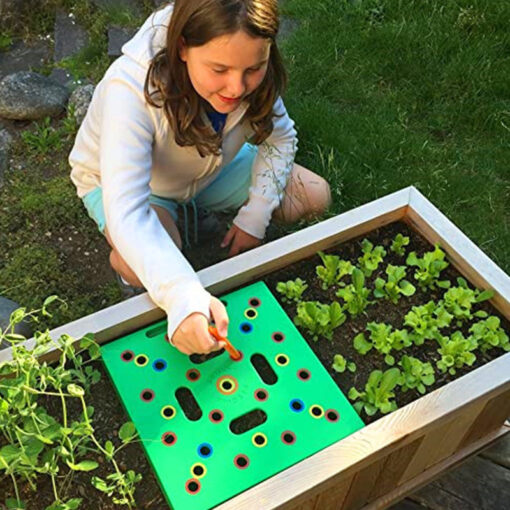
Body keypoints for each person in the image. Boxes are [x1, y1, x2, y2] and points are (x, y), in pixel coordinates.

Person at [69, 0, 331, 356]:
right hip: (139, 189)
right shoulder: (129, 90)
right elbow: (127, 210)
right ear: (182, 49)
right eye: (219, 69)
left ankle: (194, 216)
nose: (236, 88)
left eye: (254, 68)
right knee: (141, 260)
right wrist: (182, 296)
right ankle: (136, 271)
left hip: (212, 168)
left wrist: (255, 217)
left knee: (314, 195)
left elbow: (281, 138)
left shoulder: (243, 62)